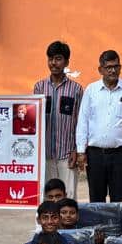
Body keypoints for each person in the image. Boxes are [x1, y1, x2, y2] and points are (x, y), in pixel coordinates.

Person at [75, 49, 122, 203]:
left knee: (119, 199)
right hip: (95, 155)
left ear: (120, 68)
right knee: (96, 199)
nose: (112, 71)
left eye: (116, 66)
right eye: (108, 67)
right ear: (100, 70)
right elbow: (83, 121)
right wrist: (80, 151)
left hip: (121, 155)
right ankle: (99, 221)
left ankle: (117, 221)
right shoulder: (91, 90)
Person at [33, 41, 84, 199]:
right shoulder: (39, 87)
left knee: (68, 197)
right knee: (47, 197)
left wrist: (77, 150)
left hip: (67, 154)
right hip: (45, 154)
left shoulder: (76, 89)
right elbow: (34, 121)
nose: (53, 63)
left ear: (67, 62)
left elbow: (81, 122)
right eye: (50, 59)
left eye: (58, 59)